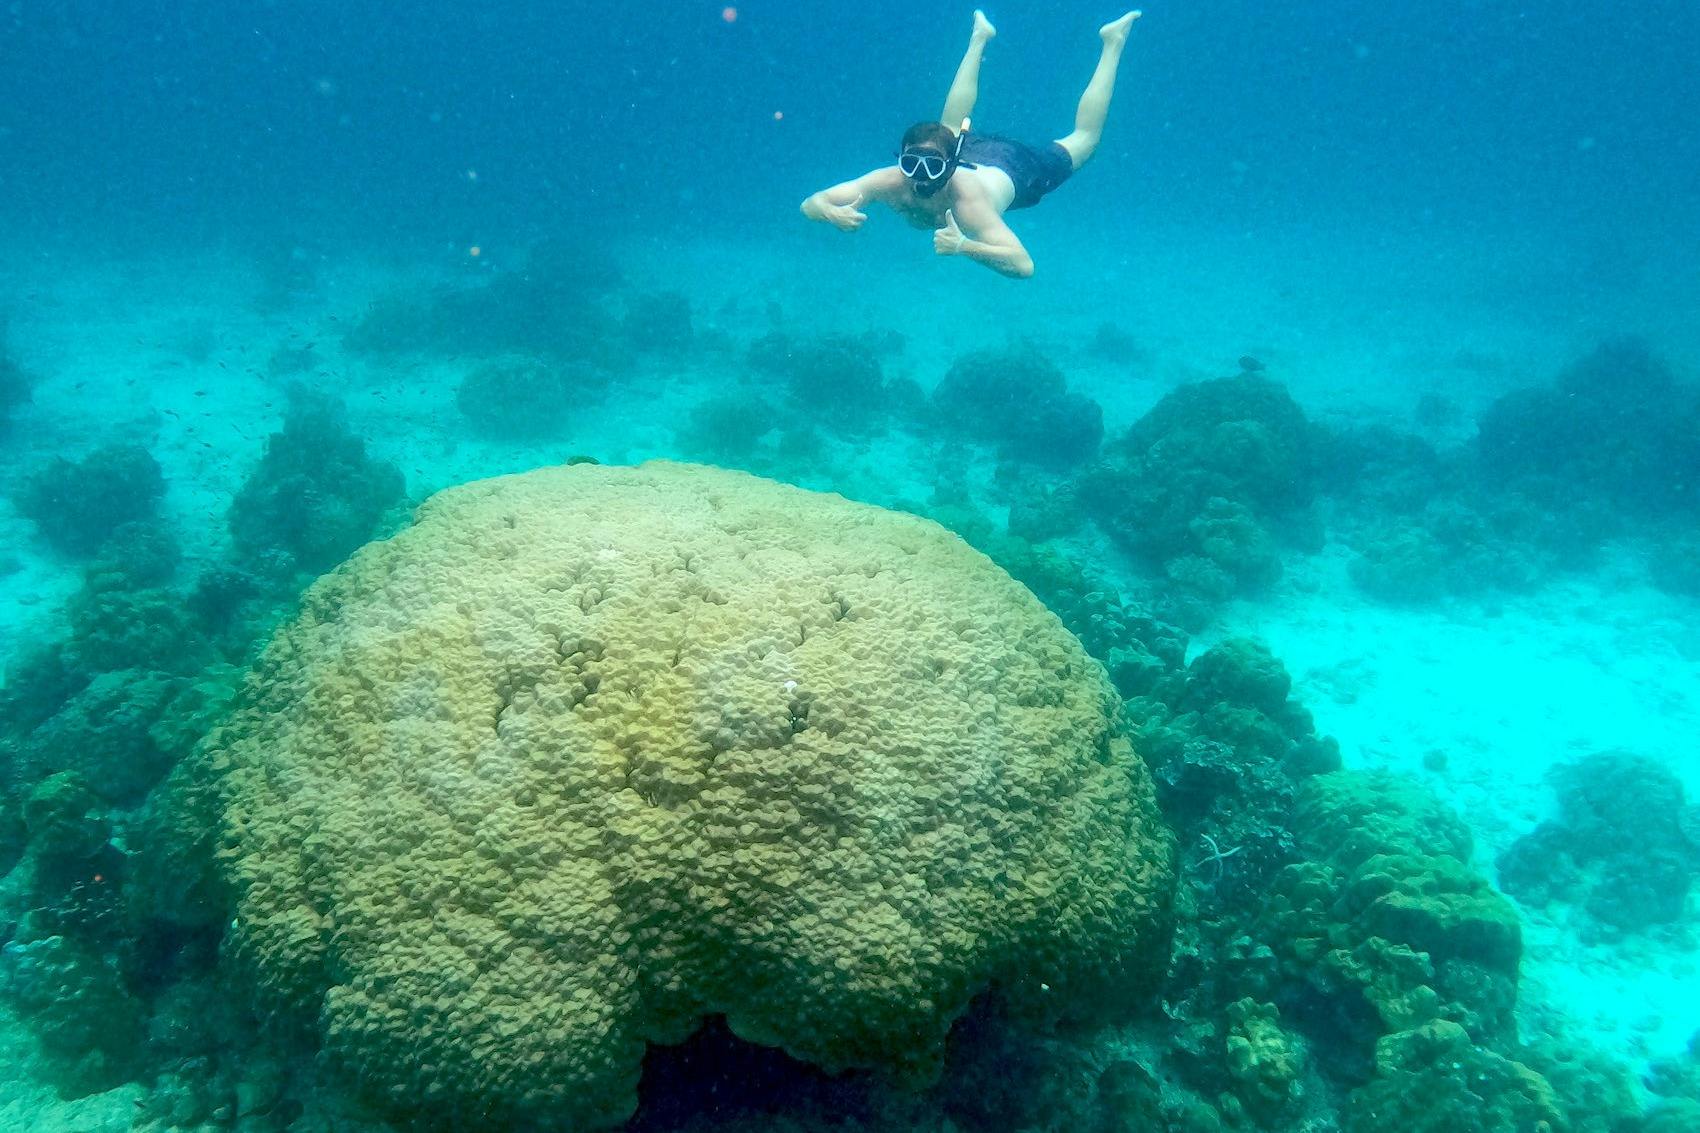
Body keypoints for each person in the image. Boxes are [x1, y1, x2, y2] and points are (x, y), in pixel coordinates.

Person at [800, 9, 1141, 279]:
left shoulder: (967, 204)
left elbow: (1024, 266)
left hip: (1016, 169)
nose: (920, 176)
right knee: (946, 128)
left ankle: (1114, 41)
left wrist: (964, 246)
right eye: (911, 164)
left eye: (932, 167)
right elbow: (811, 203)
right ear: (901, 159)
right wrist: (830, 212)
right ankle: (980, 36)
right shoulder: (888, 180)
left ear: (950, 166)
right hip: (967, 153)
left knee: (1085, 141)